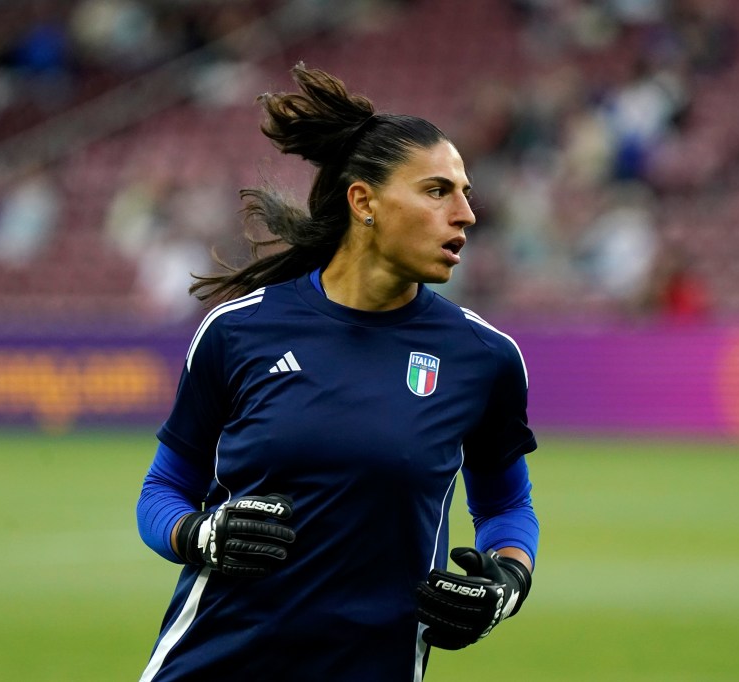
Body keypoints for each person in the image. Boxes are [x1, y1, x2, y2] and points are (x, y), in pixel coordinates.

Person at [135, 64, 540, 681]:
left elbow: (508, 503)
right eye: (437, 191)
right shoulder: (238, 332)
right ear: (364, 202)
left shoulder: (484, 358)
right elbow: (162, 491)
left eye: (465, 191)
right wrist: (198, 535)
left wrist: (506, 582)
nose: (466, 214)